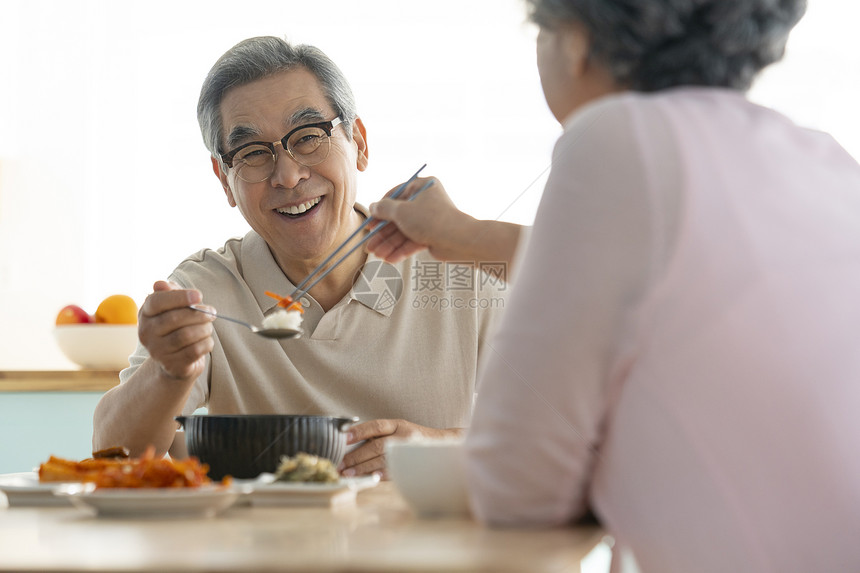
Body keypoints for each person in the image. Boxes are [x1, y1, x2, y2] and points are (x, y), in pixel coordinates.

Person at [367, 0, 860, 571]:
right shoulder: (825, 158)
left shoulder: (617, 136)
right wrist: (468, 236)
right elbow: (664, 275)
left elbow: (517, 486)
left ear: (575, 42)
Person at [92, 36, 506, 478]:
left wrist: (433, 450)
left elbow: (568, 435)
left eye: (308, 138)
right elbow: (113, 454)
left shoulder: (459, 271)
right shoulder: (205, 290)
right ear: (224, 178)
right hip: (266, 546)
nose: (287, 176)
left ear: (359, 143)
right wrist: (167, 373)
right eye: (252, 153)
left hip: (427, 542)